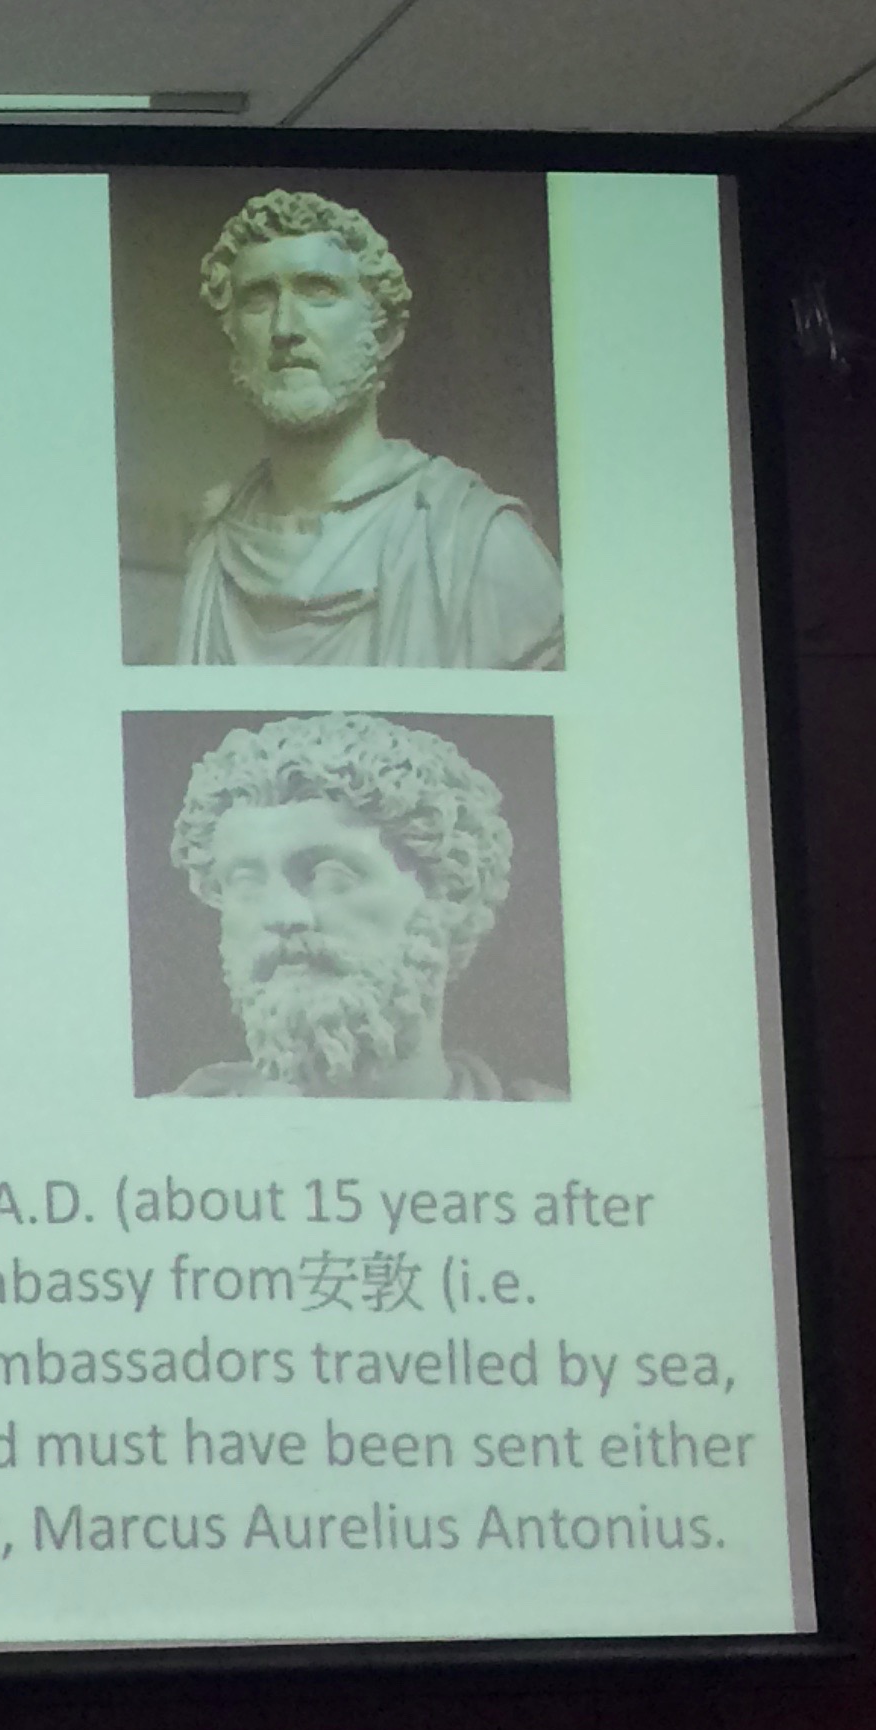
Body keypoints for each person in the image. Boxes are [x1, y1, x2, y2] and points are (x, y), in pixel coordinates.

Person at [124, 188, 563, 669]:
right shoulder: (213, 547)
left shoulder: (477, 547)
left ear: (384, 333)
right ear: (234, 342)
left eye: (319, 291)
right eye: (258, 298)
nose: (285, 328)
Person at [152, 711, 563, 1100]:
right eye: (246, 884)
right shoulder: (160, 1134)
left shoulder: (556, 1131)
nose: (281, 915)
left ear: (450, 895)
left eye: (331, 876)